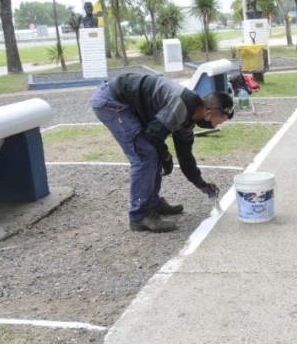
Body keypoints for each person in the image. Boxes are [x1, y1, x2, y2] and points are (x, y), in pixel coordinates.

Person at [89, 73, 234, 233]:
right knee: (145, 156)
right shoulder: (181, 105)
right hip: (112, 101)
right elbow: (153, 134)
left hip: (124, 101)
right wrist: (165, 155)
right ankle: (139, 216)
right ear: (208, 113)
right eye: (219, 121)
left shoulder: (187, 121)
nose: (216, 125)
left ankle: (152, 203)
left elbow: (185, 157)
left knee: (152, 151)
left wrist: (202, 185)